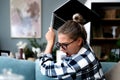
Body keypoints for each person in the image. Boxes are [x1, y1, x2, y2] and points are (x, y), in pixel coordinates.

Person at [39, 13, 106, 80]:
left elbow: (45, 68)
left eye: (64, 45)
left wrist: (50, 42)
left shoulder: (82, 61)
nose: (61, 49)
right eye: (59, 44)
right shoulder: (85, 47)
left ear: (79, 41)